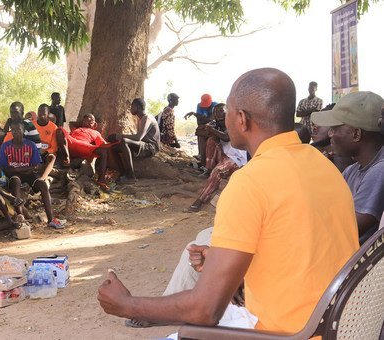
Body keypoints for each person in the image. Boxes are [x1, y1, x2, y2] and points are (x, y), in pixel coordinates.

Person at [98, 68, 359, 335]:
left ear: (243, 119)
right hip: (336, 325)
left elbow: (205, 310)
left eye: (229, 112)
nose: (225, 119)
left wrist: (126, 304)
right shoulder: (322, 165)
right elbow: (299, 245)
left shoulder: (250, 182)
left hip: (287, 332)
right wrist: (224, 261)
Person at [312, 91, 384, 243]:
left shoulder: (379, 171)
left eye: (335, 128)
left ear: (356, 134)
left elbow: (350, 227)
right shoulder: (353, 170)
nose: (330, 134)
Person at [0, 121, 65, 229]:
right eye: (13, 130)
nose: (16, 132)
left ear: (23, 131)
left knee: (42, 185)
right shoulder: (5, 147)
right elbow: (5, 167)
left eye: (18, 129)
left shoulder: (30, 145)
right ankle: (20, 216)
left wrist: (18, 168)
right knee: (15, 181)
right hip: (13, 175)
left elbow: (36, 166)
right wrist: (22, 169)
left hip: (29, 175)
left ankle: (51, 219)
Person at [188, 104, 247, 212]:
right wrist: (205, 129)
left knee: (218, 171)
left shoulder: (233, 123)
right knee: (211, 140)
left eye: (220, 111)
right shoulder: (216, 124)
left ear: (226, 113)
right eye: (215, 112)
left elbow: (225, 137)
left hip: (237, 159)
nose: (217, 114)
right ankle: (208, 169)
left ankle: (201, 200)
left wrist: (211, 129)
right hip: (224, 155)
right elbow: (199, 132)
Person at [56, 114, 114, 190]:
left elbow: (103, 145)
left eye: (92, 120)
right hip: (71, 142)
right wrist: (84, 123)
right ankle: (66, 158)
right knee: (60, 130)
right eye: (87, 119)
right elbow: (71, 123)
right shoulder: (76, 128)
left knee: (103, 151)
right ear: (82, 121)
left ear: (95, 124)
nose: (89, 121)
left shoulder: (95, 132)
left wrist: (113, 143)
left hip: (84, 146)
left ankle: (101, 179)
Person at [109, 98, 160, 183]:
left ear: (137, 107)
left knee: (124, 141)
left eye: (132, 106)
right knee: (113, 148)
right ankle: (123, 173)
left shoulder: (147, 118)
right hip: (144, 144)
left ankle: (131, 176)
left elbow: (138, 137)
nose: (130, 108)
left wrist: (118, 136)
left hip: (151, 147)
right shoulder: (140, 119)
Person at [184, 94, 218, 169]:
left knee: (209, 137)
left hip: (215, 127)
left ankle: (207, 161)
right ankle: (202, 159)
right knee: (200, 132)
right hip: (204, 127)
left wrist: (196, 115)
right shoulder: (199, 106)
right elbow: (199, 122)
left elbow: (213, 120)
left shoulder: (216, 105)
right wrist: (202, 118)